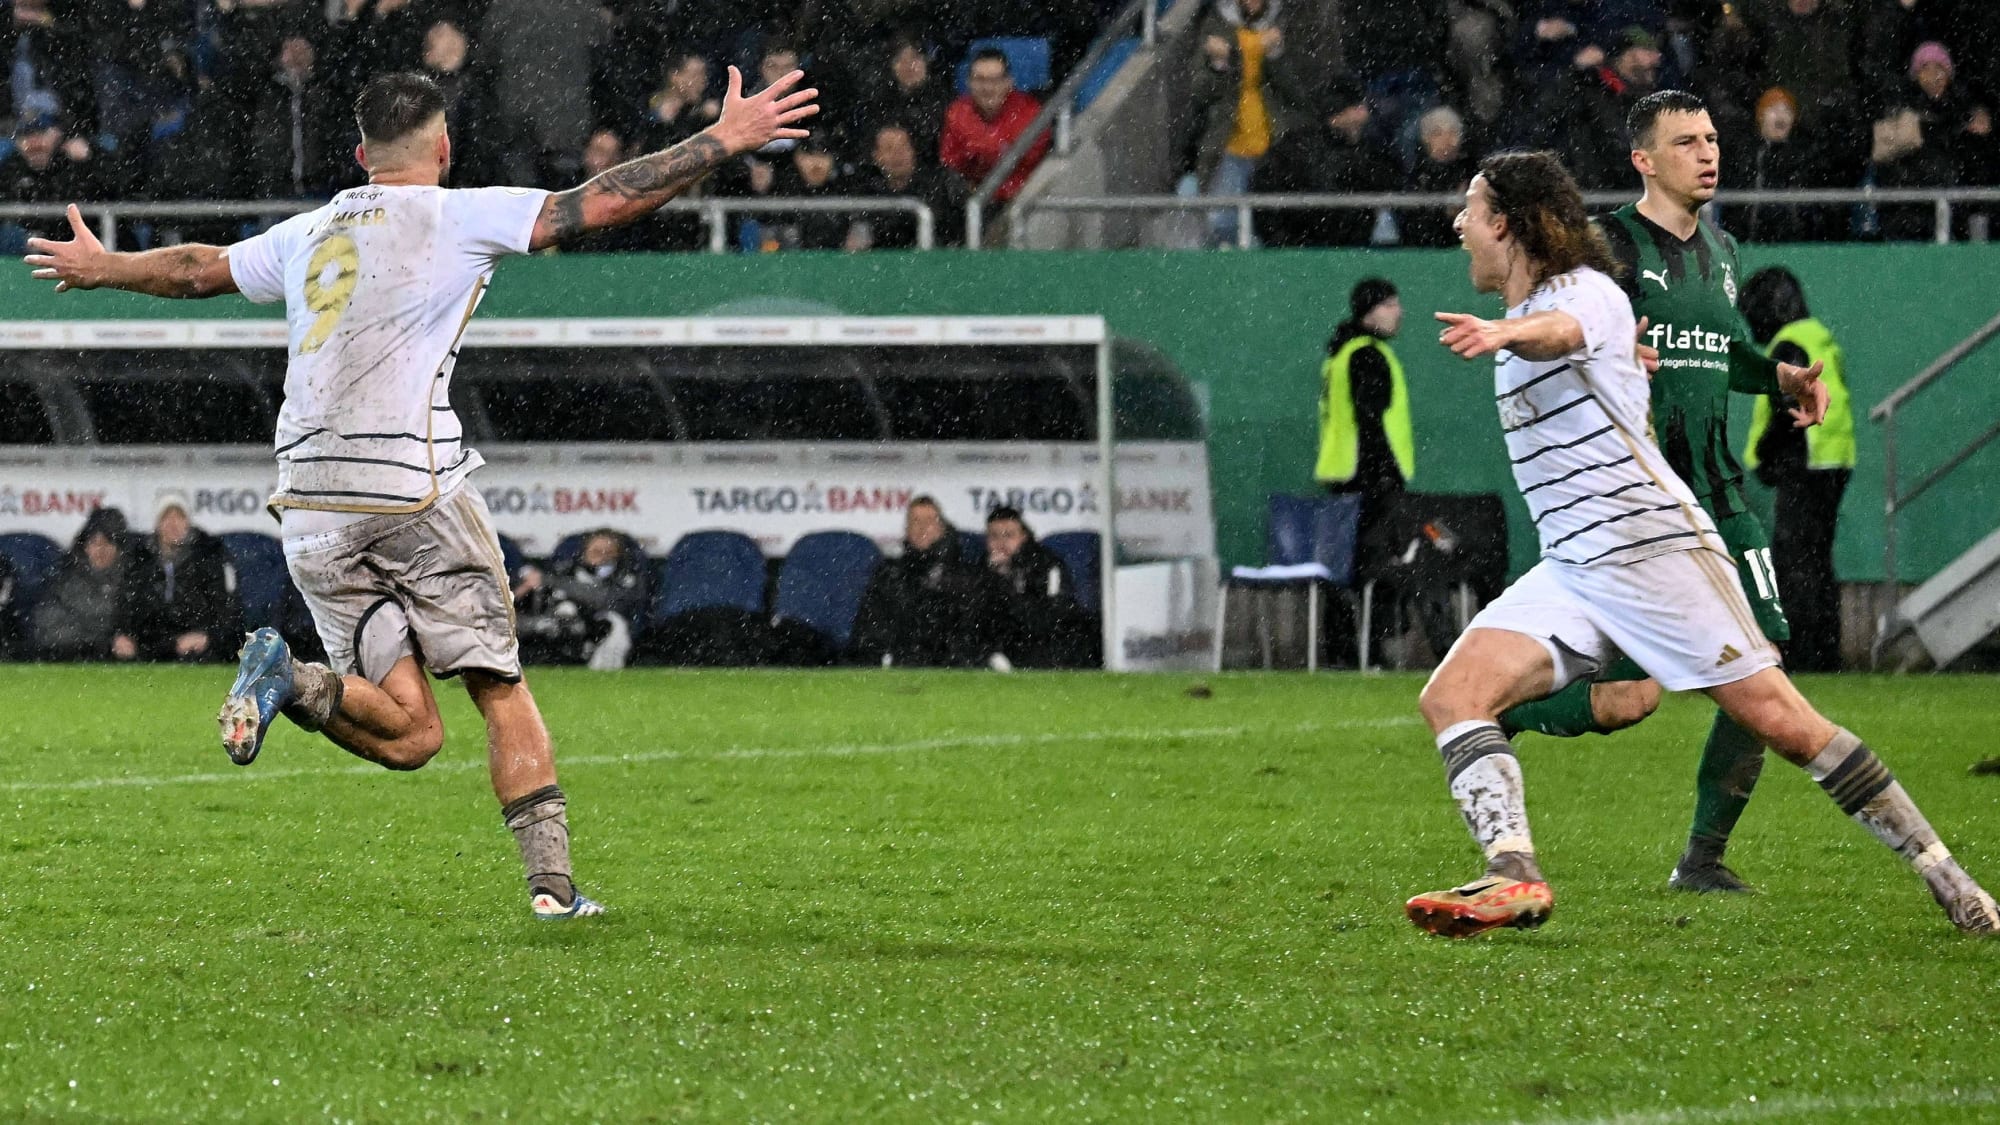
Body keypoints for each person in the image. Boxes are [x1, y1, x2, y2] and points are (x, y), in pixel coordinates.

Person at [22, 67, 818, 919]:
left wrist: (105, 266)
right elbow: (603, 200)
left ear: (362, 154)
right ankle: (553, 890)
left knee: (413, 736)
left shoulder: (308, 231)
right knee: (498, 687)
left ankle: (288, 679)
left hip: (309, 500)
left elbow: (196, 268)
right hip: (410, 486)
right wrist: (720, 144)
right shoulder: (455, 211)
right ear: (443, 148)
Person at [1410, 149, 1997, 939]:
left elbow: (1562, 332)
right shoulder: (1570, 313)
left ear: (1508, 226)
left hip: (1655, 551)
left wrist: (1507, 333)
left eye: (1471, 210)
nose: (1458, 224)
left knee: (1785, 724)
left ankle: (1952, 880)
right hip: (1577, 565)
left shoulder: (1583, 293)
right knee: (1451, 695)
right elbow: (1587, 353)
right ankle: (1514, 875)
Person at [1495, 90, 1825, 896]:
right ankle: (1503, 711)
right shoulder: (1605, 242)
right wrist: (1605, 353)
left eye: (1713, 138)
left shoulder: (1724, 249)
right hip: (1638, 493)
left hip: (1719, 487)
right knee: (1625, 699)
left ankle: (1703, 859)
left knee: (1767, 661)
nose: (1708, 153)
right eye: (1686, 142)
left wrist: (1774, 376)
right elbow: (1549, 319)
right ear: (1644, 159)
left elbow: (1723, 349)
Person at [1740, 266, 1854, 673]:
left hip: (1803, 463)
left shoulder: (1789, 344)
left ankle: (1802, 654)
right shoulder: (1817, 335)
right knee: (1817, 561)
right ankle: (1824, 653)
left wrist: (1766, 457)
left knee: (1795, 561)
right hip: (1833, 460)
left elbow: (1785, 409)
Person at [851, 496, 1004, 668]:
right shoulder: (889, 574)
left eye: (929, 520)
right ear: (907, 530)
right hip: (903, 664)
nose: (922, 527)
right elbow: (870, 627)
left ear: (941, 528)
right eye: (915, 521)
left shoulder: (967, 574)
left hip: (957, 666)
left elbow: (979, 628)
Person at [120, 490, 242, 663]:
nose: (173, 524)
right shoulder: (139, 560)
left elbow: (226, 612)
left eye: (179, 517)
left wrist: (207, 637)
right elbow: (126, 605)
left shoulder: (209, 557)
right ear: (157, 524)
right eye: (166, 517)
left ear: (188, 523)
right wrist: (122, 635)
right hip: (149, 646)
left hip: (197, 648)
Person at [514, 530, 650, 671]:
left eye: (609, 552)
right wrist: (525, 589)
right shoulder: (566, 572)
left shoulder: (624, 577)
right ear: (584, 553)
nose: (602, 557)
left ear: (618, 555)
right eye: (596, 552)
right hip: (554, 634)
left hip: (598, 635)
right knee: (564, 611)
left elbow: (604, 599)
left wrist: (548, 581)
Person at [984, 506, 1091, 669]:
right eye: (994, 536)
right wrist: (995, 577)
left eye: (1009, 535)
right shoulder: (982, 567)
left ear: (1024, 536)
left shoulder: (1047, 564)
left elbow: (1055, 615)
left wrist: (1008, 586)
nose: (1001, 543)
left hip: (1041, 643)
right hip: (1000, 641)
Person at [940, 49, 1046, 203]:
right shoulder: (957, 113)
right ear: (969, 82)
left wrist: (980, 152)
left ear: (1009, 82)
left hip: (1025, 202)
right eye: (980, 80)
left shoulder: (1030, 112)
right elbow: (950, 164)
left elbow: (1030, 164)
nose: (988, 88)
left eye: (995, 80)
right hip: (971, 204)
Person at [31, 507, 133, 661]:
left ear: (119, 549)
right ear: (85, 546)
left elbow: (140, 628)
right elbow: (49, 630)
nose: (101, 550)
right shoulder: (64, 578)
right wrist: (104, 642)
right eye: (95, 542)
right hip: (67, 660)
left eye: (108, 543)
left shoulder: (133, 580)